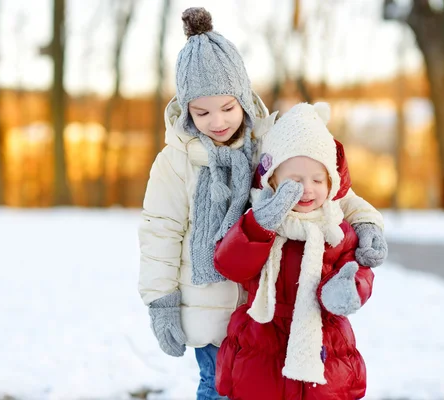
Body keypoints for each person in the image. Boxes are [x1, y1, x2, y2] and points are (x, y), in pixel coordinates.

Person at [138, 7, 385, 400]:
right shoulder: (175, 161)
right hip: (207, 301)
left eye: (228, 108)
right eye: (201, 112)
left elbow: (335, 192)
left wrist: (368, 224)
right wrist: (160, 301)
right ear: (186, 110)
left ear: (244, 98)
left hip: (263, 312)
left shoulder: (269, 141)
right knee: (215, 386)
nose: (217, 121)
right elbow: (159, 232)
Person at [214, 102, 375, 400]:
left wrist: (349, 288)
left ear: (331, 183)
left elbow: (359, 271)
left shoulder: (337, 231)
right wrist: (262, 223)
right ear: (272, 179)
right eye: (294, 181)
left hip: (325, 346)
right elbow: (230, 265)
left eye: (317, 180)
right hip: (260, 346)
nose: (307, 189)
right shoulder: (258, 220)